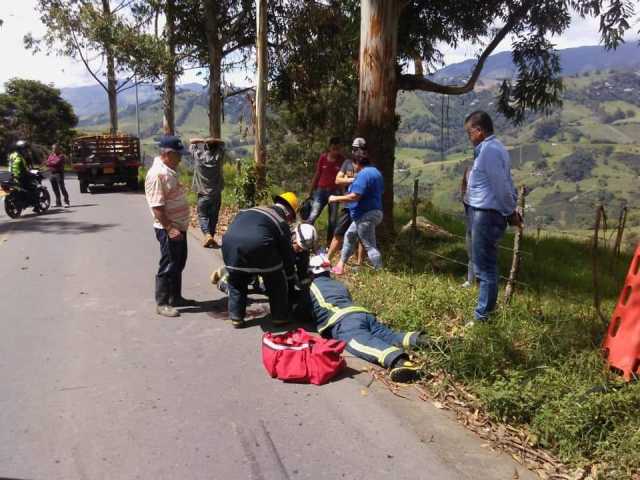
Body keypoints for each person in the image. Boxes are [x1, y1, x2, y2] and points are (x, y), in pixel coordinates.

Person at [295, 254, 430, 383]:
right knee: (389, 335)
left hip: (343, 322)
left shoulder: (310, 288)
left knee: (362, 343)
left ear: (311, 272)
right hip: (363, 314)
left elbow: (301, 314)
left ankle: (399, 362)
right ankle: (423, 340)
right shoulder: (339, 285)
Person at [464, 111, 518, 324]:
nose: (469, 137)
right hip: (484, 212)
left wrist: (510, 210)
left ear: (478, 131)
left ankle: (483, 317)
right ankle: (485, 312)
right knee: (483, 264)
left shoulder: (490, 151)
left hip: (486, 214)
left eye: (470, 133)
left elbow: (501, 186)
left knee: (485, 267)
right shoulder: (494, 149)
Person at [221, 192, 302, 328]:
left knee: (237, 283)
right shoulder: (280, 221)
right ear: (288, 214)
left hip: (230, 248)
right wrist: (289, 275)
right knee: (276, 281)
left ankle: (236, 317)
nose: (289, 222)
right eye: (291, 219)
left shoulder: (247, 211)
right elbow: (286, 253)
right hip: (260, 249)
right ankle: (279, 317)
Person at [145, 135, 193, 318]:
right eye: (178, 154)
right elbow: (157, 207)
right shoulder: (157, 174)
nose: (181, 158)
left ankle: (175, 297)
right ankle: (162, 302)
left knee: (179, 263)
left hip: (179, 226)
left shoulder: (169, 169)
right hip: (168, 228)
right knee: (169, 264)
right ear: (168, 154)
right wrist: (170, 228)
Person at [328, 137, 384, 274]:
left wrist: (336, 198)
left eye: (355, 165)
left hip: (366, 215)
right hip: (369, 213)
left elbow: (354, 196)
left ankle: (380, 273)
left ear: (359, 163)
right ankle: (340, 266)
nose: (354, 168)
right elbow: (380, 191)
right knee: (349, 235)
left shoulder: (363, 174)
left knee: (369, 245)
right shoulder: (376, 172)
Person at [326, 141, 364, 264]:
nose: (355, 151)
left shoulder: (367, 165)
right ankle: (327, 260)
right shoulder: (347, 163)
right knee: (338, 232)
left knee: (361, 236)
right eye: (353, 149)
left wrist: (347, 180)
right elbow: (337, 180)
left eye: (357, 149)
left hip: (362, 206)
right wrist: (354, 179)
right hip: (347, 205)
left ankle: (359, 264)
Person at [306, 137, 344, 242]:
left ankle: (329, 243)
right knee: (313, 214)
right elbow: (317, 174)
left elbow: (343, 178)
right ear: (330, 147)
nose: (336, 151)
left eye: (338, 149)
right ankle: (305, 237)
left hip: (335, 193)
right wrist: (311, 190)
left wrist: (343, 194)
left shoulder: (342, 160)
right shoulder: (323, 158)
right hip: (321, 191)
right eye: (334, 148)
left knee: (333, 220)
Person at [190, 137, 225, 248]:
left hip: (202, 194)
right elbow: (223, 144)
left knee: (203, 215)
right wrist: (214, 140)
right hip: (216, 194)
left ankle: (207, 235)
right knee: (214, 216)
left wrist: (203, 140)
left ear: (205, 147)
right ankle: (211, 237)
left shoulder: (198, 157)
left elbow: (191, 142)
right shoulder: (218, 157)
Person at [9, 140, 38, 206]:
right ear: (21, 148)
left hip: (12, 175)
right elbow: (24, 167)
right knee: (32, 186)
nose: (25, 150)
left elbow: (11, 165)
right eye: (24, 148)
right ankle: (34, 202)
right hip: (20, 175)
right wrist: (30, 172)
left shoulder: (12, 155)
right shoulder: (20, 156)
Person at [461, 165, 475, 288]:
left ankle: (480, 282)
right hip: (470, 207)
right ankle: (470, 281)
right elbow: (464, 184)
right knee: (470, 247)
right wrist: (464, 199)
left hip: (483, 210)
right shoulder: (469, 166)